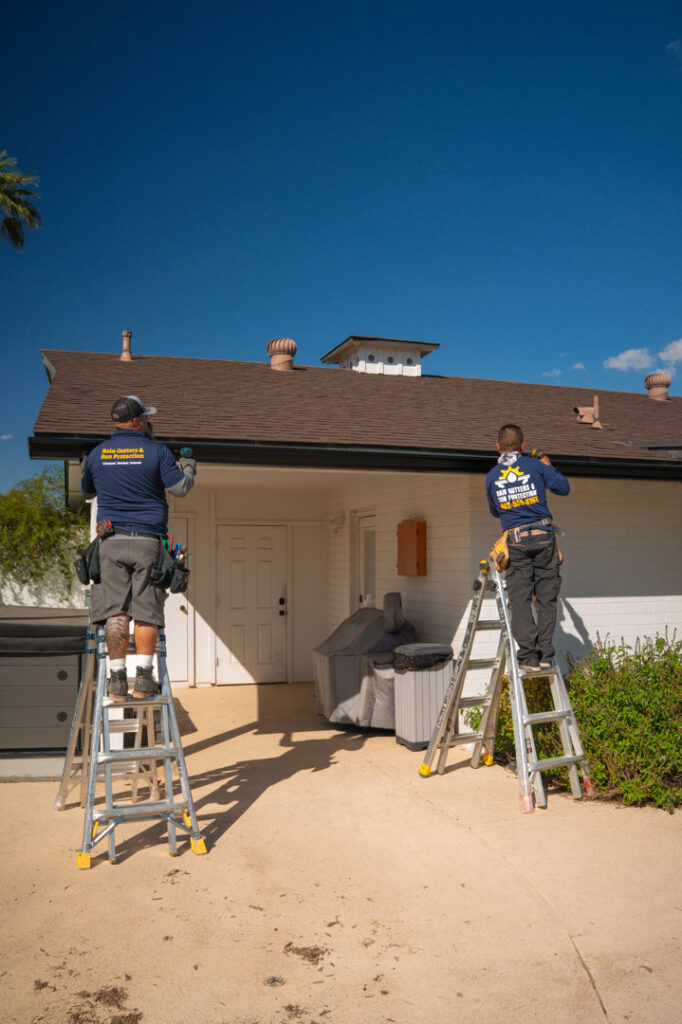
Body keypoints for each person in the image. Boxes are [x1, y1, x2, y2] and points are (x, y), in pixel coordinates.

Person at [80, 395, 196, 701]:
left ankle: (116, 680)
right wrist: (188, 466)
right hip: (147, 541)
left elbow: (87, 491)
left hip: (111, 541)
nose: (147, 421)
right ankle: (144, 679)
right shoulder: (156, 451)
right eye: (144, 418)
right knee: (146, 609)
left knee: (117, 610)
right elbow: (181, 489)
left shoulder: (97, 453)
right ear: (137, 421)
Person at [485, 423, 569, 672]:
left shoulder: (492, 475)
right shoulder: (536, 466)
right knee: (546, 598)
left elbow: (494, 510)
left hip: (516, 541)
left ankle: (528, 658)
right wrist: (547, 465)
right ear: (523, 446)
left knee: (520, 599)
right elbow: (563, 488)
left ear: (497, 447)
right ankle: (545, 654)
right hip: (544, 538)